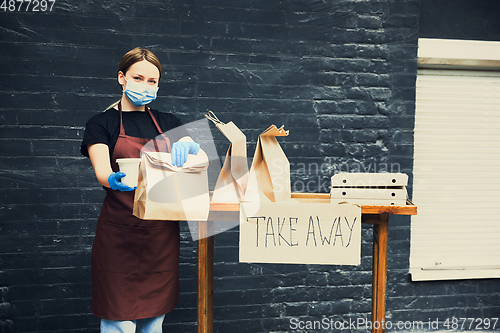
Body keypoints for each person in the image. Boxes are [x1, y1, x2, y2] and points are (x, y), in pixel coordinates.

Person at [80, 47, 199, 333]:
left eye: (152, 81)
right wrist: (113, 180)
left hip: (161, 236)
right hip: (118, 236)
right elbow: (102, 172)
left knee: (153, 323)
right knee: (118, 324)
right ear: (122, 78)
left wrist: (192, 147)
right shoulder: (102, 123)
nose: (145, 85)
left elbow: (195, 171)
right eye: (138, 77)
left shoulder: (170, 124)